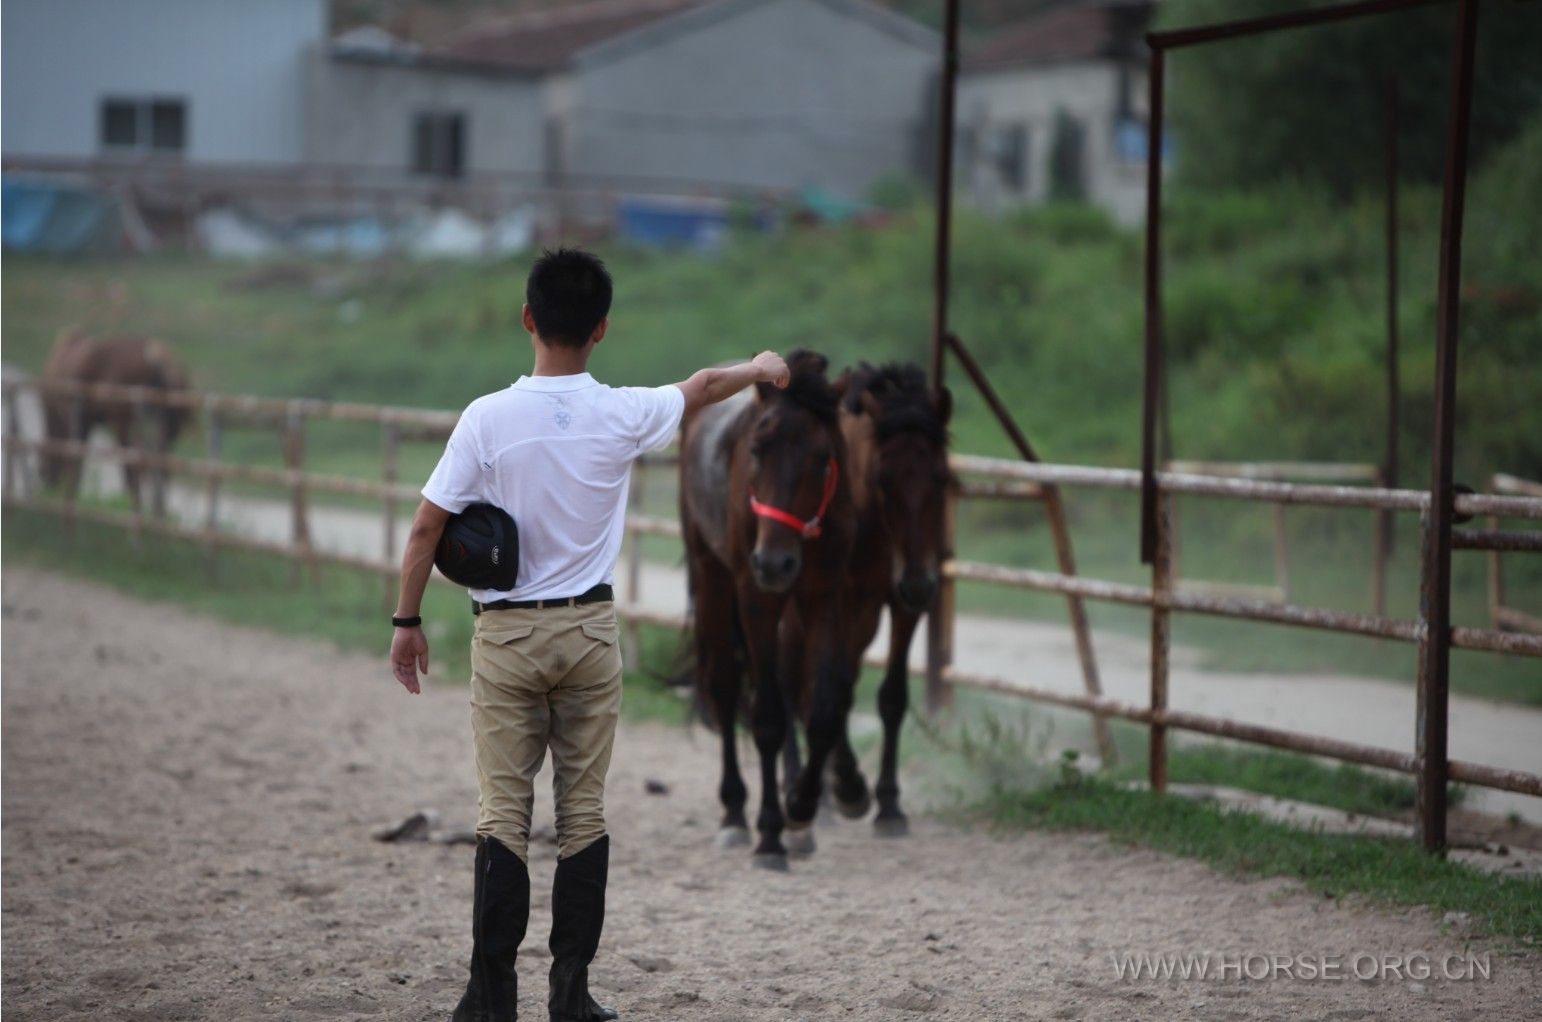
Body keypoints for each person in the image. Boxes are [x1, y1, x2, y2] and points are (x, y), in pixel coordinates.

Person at [388, 248, 789, 1022]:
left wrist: (407, 622)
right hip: (590, 636)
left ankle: (491, 997)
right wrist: (760, 365)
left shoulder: (487, 419)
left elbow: (425, 529)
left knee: (503, 813)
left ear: (528, 319)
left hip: (505, 639)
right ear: (602, 328)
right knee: (584, 814)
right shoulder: (623, 412)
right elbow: (705, 388)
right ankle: (570, 994)